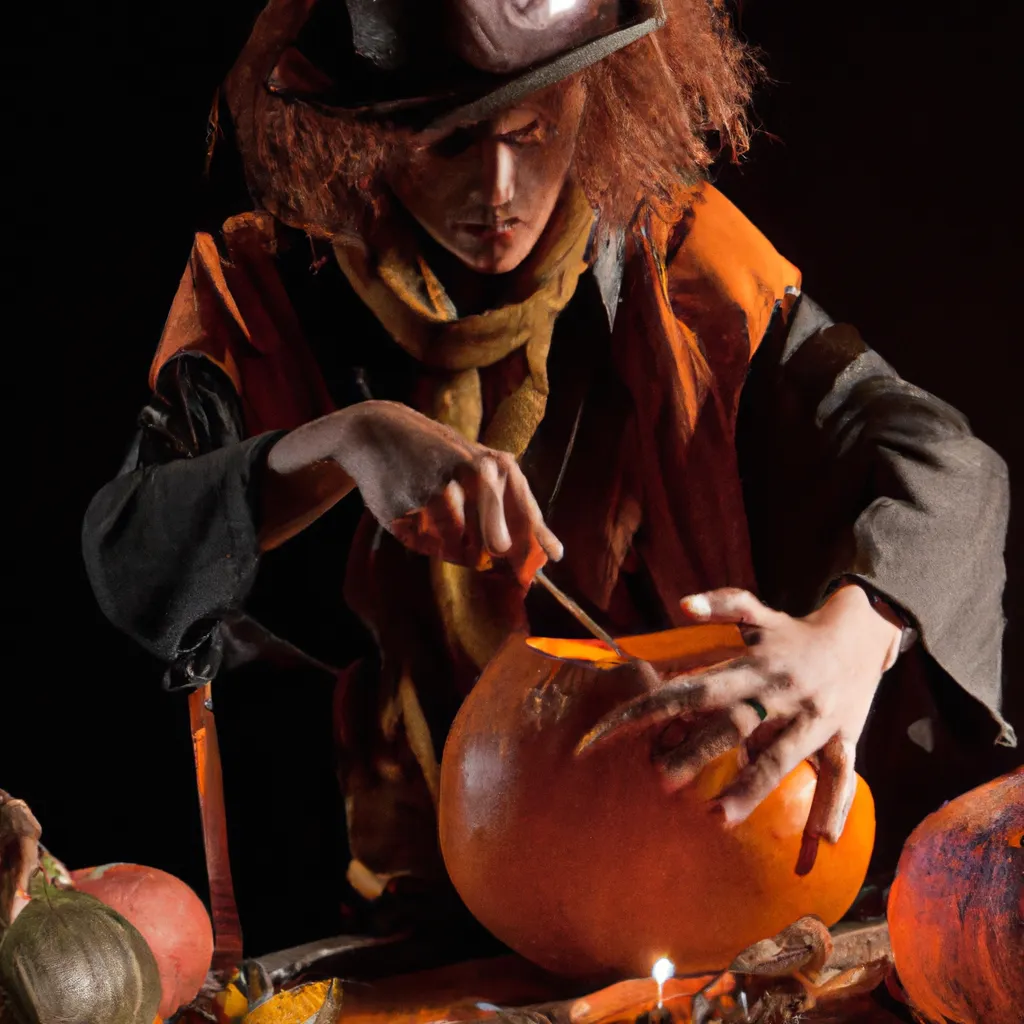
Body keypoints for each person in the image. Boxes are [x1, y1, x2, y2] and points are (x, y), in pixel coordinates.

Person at [82, 0, 1016, 953]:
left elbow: (946, 461)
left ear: (596, 99)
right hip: (357, 909)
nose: (499, 187)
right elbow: (130, 555)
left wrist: (855, 636)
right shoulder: (264, 288)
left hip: (678, 876)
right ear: (371, 129)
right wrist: (342, 442)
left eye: (534, 133)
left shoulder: (681, 259)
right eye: (447, 142)